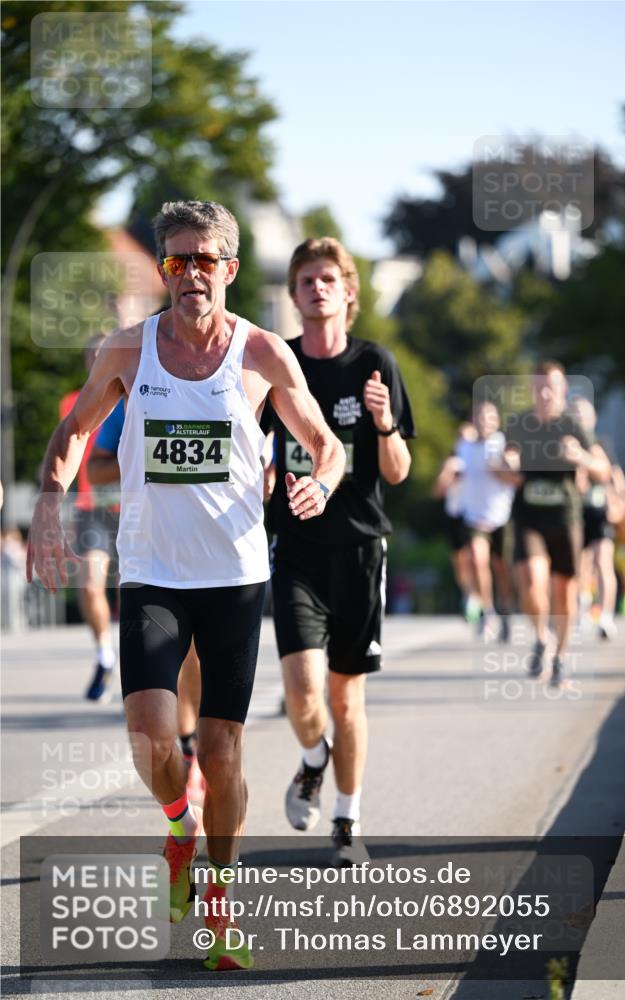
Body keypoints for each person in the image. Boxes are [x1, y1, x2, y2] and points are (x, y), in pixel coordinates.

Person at [26, 200, 345, 971]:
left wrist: (321, 485)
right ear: (164, 267)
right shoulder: (129, 351)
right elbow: (74, 433)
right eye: (176, 260)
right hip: (152, 571)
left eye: (205, 260)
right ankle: (179, 822)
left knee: (224, 749)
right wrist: (47, 506)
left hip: (235, 575)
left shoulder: (263, 353)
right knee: (149, 737)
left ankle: (220, 904)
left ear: (229, 269)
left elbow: (324, 444)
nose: (190, 273)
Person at [263, 237, 415, 865]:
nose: (318, 289)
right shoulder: (278, 364)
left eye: (329, 279)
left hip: (358, 549)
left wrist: (382, 425)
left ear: (349, 292)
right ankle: (310, 758)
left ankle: (347, 820)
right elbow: (254, 449)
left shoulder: (373, 363)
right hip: (296, 545)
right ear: (294, 296)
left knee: (346, 699)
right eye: (307, 281)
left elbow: (400, 471)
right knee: (302, 695)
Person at [88, 400, 207, 803]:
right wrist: (139, 454)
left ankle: (190, 742)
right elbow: (95, 469)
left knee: (192, 657)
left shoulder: (218, 376)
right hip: (148, 556)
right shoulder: (127, 397)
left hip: (207, 551)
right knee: (157, 687)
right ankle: (184, 755)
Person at [503, 363, 610, 687]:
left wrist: (581, 458)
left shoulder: (573, 425)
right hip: (529, 516)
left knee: (565, 593)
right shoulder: (519, 423)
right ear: (533, 389)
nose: (545, 393)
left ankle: (562, 656)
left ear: (563, 390)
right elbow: (505, 459)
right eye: (540, 387)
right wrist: (507, 463)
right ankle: (540, 637)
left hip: (565, 518)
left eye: (552, 387)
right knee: (531, 580)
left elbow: (602, 470)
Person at [58, 339, 122, 702]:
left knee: (134, 593)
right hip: (91, 508)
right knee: (89, 584)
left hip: (131, 508)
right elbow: (65, 452)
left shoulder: (137, 398)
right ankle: (104, 654)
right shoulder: (71, 403)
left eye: (104, 356)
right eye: (93, 357)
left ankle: (141, 668)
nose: (99, 362)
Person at [569, 397, 625, 639]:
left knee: (603, 561)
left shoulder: (601, 444)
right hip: (575, 512)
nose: (579, 419)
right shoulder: (567, 445)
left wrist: (623, 499)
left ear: (593, 418)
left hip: (600, 511)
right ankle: (582, 609)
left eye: (583, 415)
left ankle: (606, 616)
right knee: (579, 565)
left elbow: (615, 473)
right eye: (574, 415)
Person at [457, 401, 515, 641]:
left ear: (497, 421)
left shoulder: (502, 445)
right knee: (478, 559)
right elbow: (456, 469)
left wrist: (501, 469)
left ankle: (506, 611)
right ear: (474, 419)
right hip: (474, 517)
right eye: (480, 416)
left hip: (501, 516)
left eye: (489, 417)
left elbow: (515, 477)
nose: (484, 421)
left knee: (502, 569)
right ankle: (487, 611)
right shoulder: (465, 446)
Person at [432, 422, 481, 623]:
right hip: (454, 515)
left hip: (473, 515)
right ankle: (468, 594)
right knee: (460, 561)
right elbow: (437, 492)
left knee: (477, 557)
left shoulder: (478, 460)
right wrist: (447, 475)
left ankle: (479, 599)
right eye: (462, 437)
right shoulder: (451, 462)